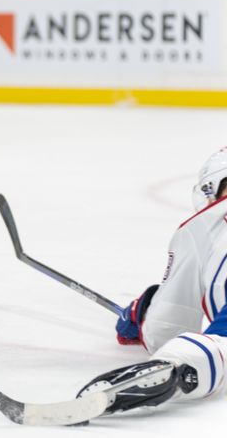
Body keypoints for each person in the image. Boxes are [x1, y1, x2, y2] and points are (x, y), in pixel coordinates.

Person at [77, 147, 227, 415]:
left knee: (218, 347)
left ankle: (174, 372)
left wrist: (139, 315)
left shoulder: (204, 224)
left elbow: (167, 325)